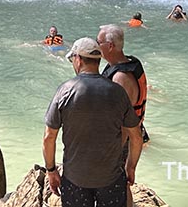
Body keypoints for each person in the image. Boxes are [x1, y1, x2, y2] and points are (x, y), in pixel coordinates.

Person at [43, 37, 142, 207]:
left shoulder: (64, 91)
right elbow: (136, 137)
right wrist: (131, 167)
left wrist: (51, 171)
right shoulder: (117, 92)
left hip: (75, 178)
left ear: (78, 59)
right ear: (97, 61)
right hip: (111, 179)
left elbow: (48, 137)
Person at [98, 23, 149, 147]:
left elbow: (123, 122)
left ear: (110, 46)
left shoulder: (121, 77)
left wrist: (114, 153)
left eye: (98, 42)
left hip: (122, 141)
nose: (96, 45)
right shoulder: (120, 64)